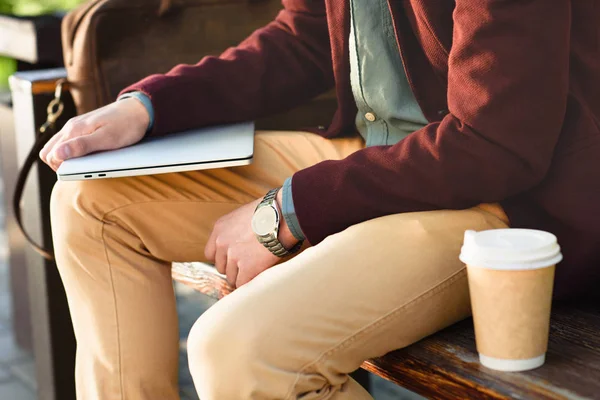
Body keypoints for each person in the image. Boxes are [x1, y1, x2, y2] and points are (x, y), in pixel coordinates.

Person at [40, 0, 600, 399]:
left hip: (498, 200)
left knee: (240, 352)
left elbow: (494, 144)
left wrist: (291, 209)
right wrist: (149, 106)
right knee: (91, 202)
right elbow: (304, 36)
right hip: (372, 156)